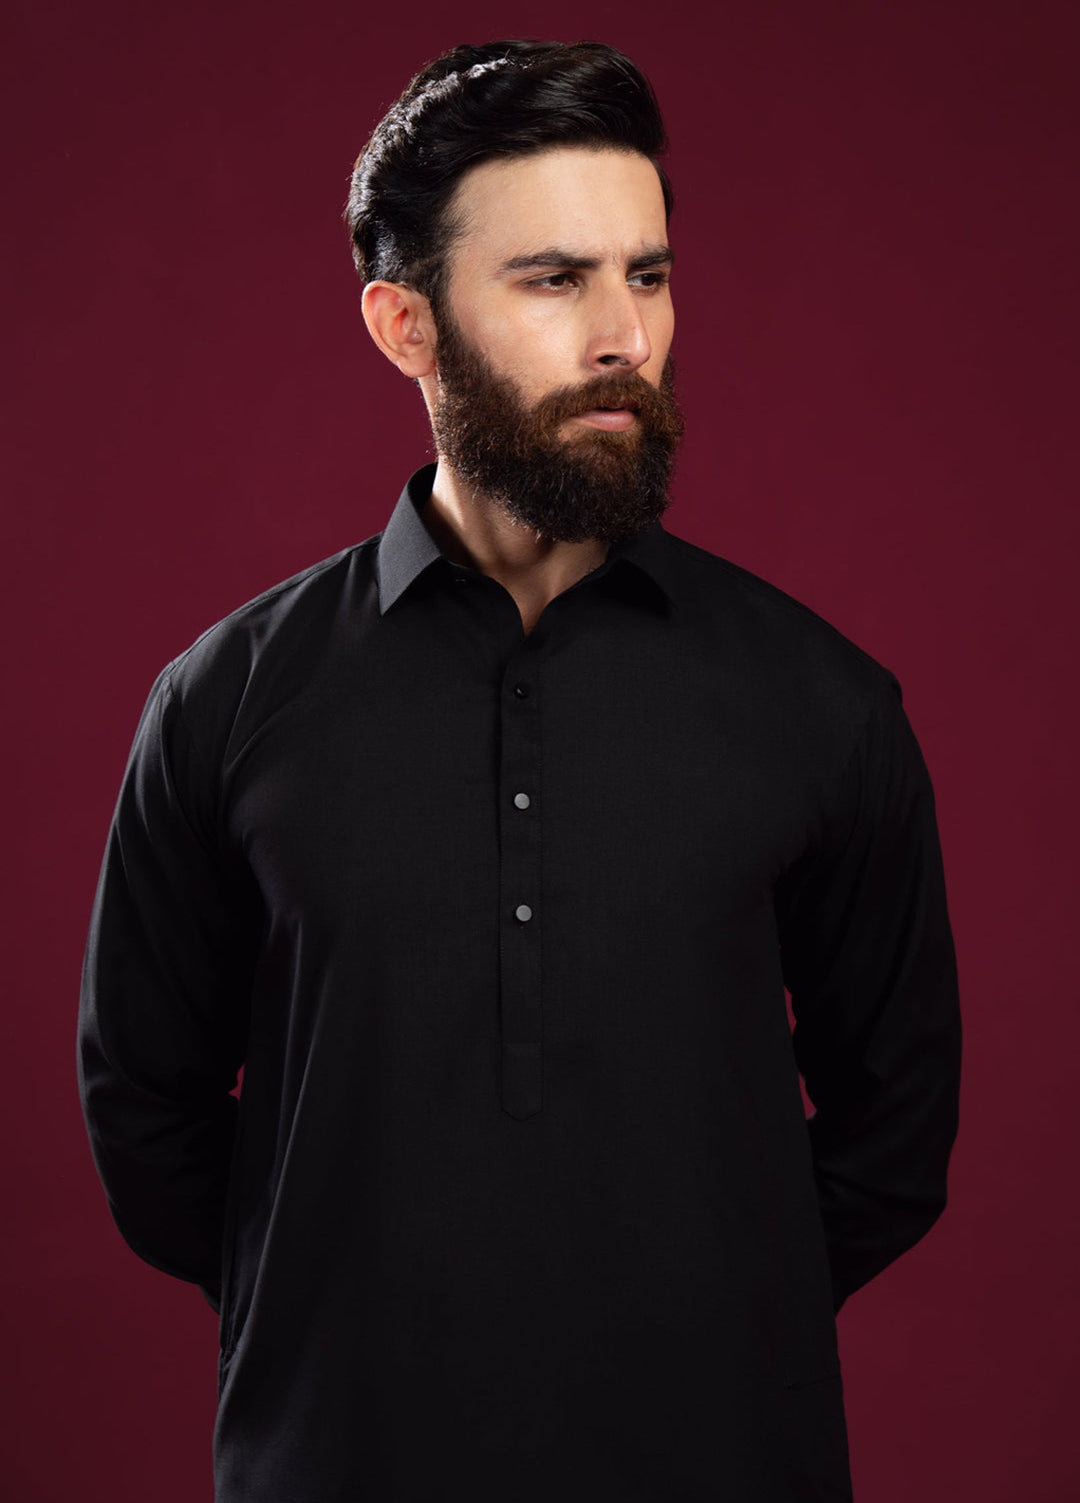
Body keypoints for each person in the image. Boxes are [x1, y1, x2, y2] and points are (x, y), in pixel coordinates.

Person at [77, 38, 962, 1503]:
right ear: (405, 326)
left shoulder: (823, 701)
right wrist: (326, 1305)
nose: (624, 336)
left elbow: (899, 1126)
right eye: (554, 280)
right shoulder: (226, 702)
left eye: (648, 276)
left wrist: (715, 1308)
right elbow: (145, 1115)